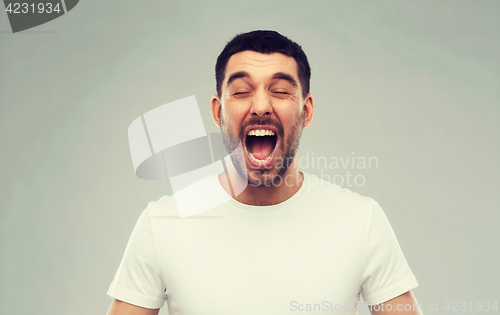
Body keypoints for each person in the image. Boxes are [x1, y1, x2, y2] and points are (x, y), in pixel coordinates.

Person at [106, 30, 423, 315]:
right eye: (242, 91)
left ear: (306, 110)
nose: (260, 105)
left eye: (281, 91)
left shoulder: (361, 221)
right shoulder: (162, 223)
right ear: (218, 112)